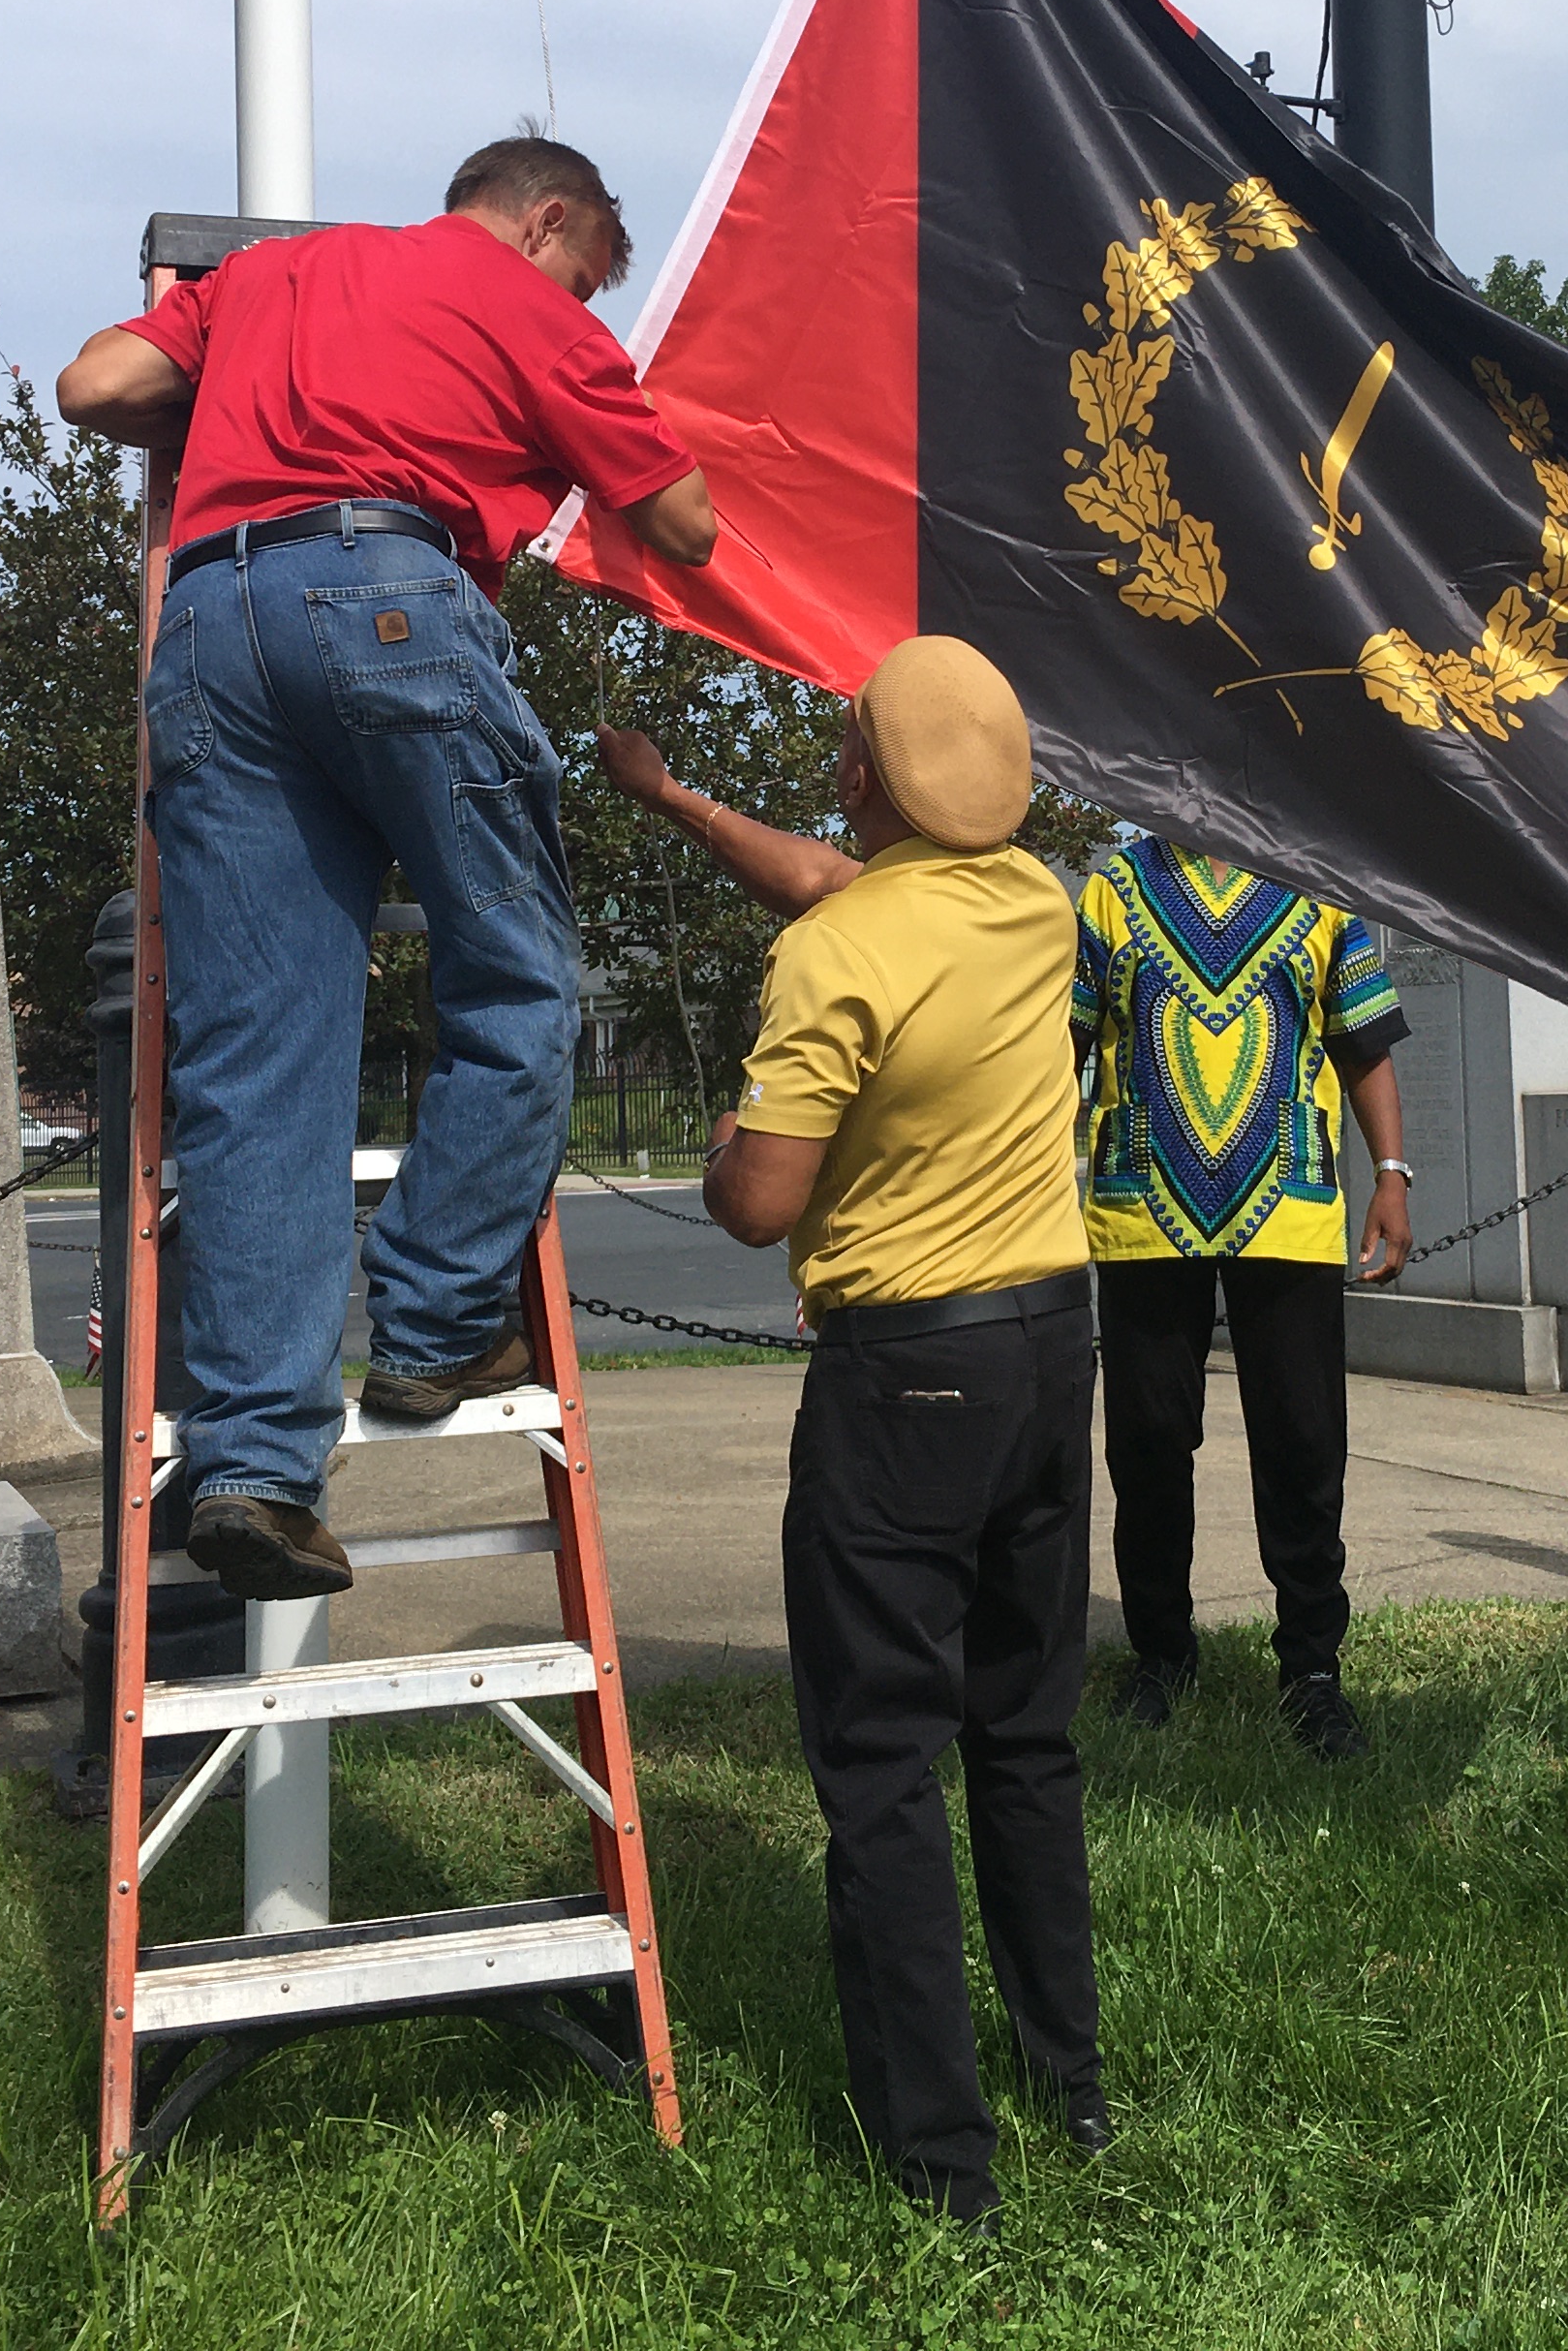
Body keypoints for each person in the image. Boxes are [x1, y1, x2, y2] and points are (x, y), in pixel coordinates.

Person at [54, 135, 723, 1601]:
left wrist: (246, 391)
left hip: (215, 629)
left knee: (257, 1061)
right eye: (591, 267)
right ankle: (428, 1323)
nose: (587, 292)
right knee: (523, 980)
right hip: (391, 597)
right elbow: (685, 524)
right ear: (548, 220)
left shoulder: (266, 277)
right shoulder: (530, 306)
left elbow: (96, 387)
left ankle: (250, 1469)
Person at [600, 645, 1103, 2232]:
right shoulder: (1037, 898)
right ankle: (1068, 2075)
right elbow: (838, 881)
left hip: (907, 1376)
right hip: (1050, 1340)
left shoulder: (834, 961)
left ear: (870, 779)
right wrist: (678, 800)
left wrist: (724, 1148)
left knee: (882, 1762)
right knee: (1024, 1730)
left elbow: (760, 1204)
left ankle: (939, 2159)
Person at [1071, 835, 1414, 1756]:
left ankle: (1311, 1668)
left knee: (1305, 1442)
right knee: (1146, 1444)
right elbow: (1056, 1048)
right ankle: (1160, 1654)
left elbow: (1363, 1040)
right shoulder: (1112, 890)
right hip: (1143, 1207)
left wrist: (1390, 1172)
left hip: (1291, 1207)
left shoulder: (1317, 882)